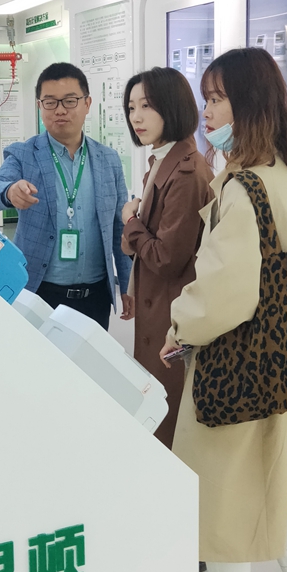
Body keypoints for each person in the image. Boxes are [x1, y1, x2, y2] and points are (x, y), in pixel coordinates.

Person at [159, 48, 287, 572]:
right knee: (275, 484)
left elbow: (224, 294)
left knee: (227, 492)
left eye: (216, 99)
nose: (206, 112)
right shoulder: (284, 176)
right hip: (286, 363)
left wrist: (179, 326)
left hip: (237, 369)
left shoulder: (242, 189)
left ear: (249, 105)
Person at [0, 62, 132, 330]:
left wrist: (128, 284)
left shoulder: (108, 160)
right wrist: (10, 191)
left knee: (90, 358)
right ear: (40, 106)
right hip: (39, 293)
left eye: (70, 101)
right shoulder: (24, 154)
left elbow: (120, 227)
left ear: (87, 104)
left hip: (95, 296)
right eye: (50, 102)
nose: (60, 110)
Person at [120, 67, 214, 449]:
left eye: (147, 106)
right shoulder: (162, 160)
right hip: (158, 306)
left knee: (168, 418)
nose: (136, 117)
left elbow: (166, 257)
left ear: (172, 107)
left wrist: (130, 223)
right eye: (131, 107)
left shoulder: (187, 171)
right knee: (156, 409)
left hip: (171, 312)